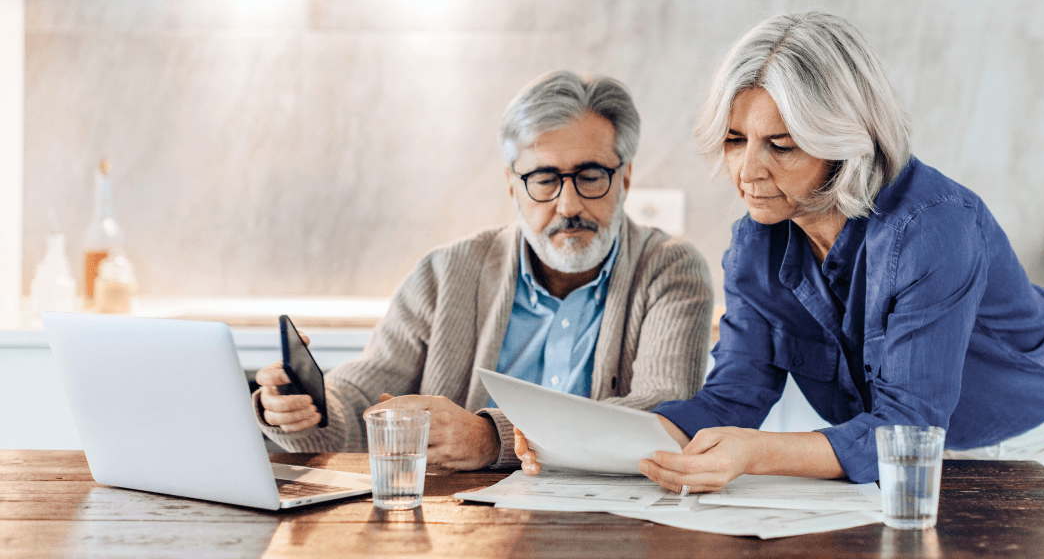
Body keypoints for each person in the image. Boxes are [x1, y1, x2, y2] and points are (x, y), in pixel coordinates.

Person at [519, 12, 1044, 513]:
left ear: (844, 141)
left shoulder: (935, 228)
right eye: (735, 140)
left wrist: (755, 454)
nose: (747, 170)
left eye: (780, 145)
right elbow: (732, 399)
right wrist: (587, 439)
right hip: (914, 460)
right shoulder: (757, 242)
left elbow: (906, 428)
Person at [254, 70, 714, 470]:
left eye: (591, 176)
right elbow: (363, 398)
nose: (568, 205)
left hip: (613, 526)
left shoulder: (670, 269)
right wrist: (309, 409)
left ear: (626, 177)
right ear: (512, 183)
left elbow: (662, 414)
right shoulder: (445, 273)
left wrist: (493, 438)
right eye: (544, 179)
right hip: (459, 526)